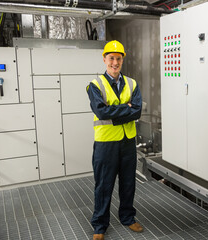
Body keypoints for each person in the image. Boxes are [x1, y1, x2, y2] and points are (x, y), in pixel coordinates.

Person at [86, 40, 143, 240]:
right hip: (106, 143)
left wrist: (119, 111)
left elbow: (137, 111)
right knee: (103, 184)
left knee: (128, 183)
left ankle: (128, 217)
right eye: (111, 58)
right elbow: (101, 112)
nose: (115, 62)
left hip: (128, 143)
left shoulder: (132, 83)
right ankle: (100, 225)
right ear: (105, 59)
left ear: (122, 60)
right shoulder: (94, 85)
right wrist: (126, 108)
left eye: (118, 58)